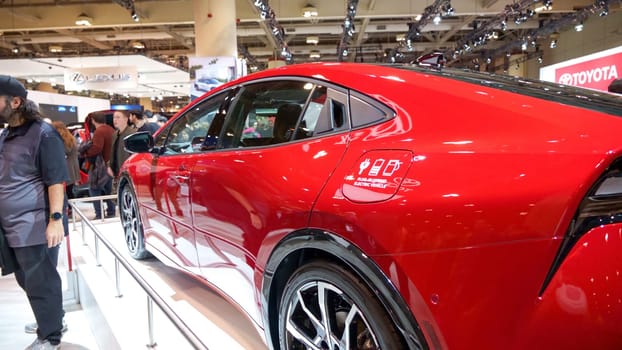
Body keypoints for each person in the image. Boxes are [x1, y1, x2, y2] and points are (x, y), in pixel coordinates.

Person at [0, 75, 69, 350]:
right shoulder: (7, 134)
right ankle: (51, 318)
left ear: (15, 102)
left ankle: (50, 336)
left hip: (35, 224)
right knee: (25, 278)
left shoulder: (43, 133)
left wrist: (55, 220)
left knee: (42, 281)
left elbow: (55, 181)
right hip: (11, 227)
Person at [80, 111, 115, 219]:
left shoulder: (99, 131)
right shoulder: (111, 129)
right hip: (110, 165)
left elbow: (96, 148)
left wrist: (85, 153)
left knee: (94, 189)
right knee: (108, 190)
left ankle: (99, 214)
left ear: (93, 121)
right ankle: (111, 211)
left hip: (99, 166)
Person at [52, 121, 80, 216]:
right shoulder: (70, 137)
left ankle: (68, 209)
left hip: (67, 167)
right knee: (69, 190)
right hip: (73, 167)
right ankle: (71, 209)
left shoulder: (62, 139)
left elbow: (64, 152)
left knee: (66, 191)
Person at [107, 110, 135, 189]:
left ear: (126, 119)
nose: (115, 120)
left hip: (128, 172)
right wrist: (109, 165)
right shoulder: (115, 134)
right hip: (117, 172)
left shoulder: (132, 134)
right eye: (114, 117)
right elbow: (113, 152)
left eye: (118, 117)